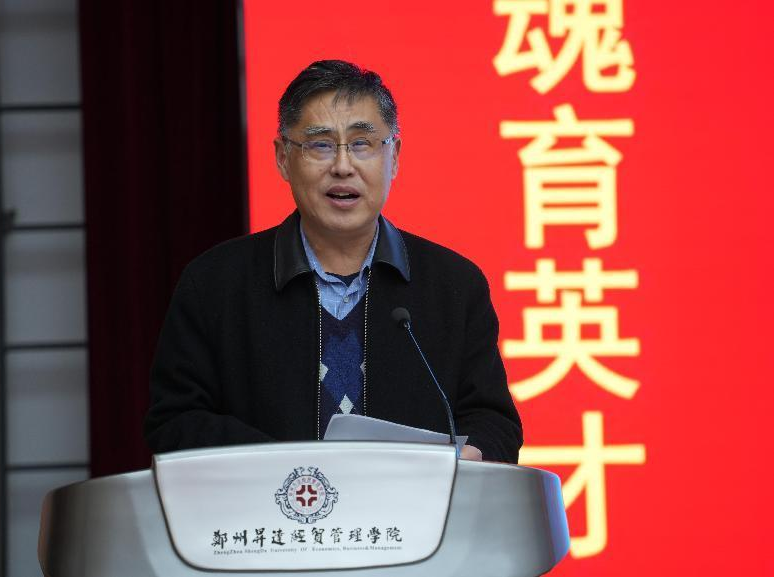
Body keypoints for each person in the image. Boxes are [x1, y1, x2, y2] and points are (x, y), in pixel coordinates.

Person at [144, 60, 522, 462]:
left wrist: (469, 458)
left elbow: (493, 422)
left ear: (394, 156)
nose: (343, 167)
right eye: (320, 145)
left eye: (362, 143)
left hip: (412, 504)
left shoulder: (454, 286)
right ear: (283, 158)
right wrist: (290, 468)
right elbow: (175, 421)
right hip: (269, 502)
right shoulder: (215, 284)